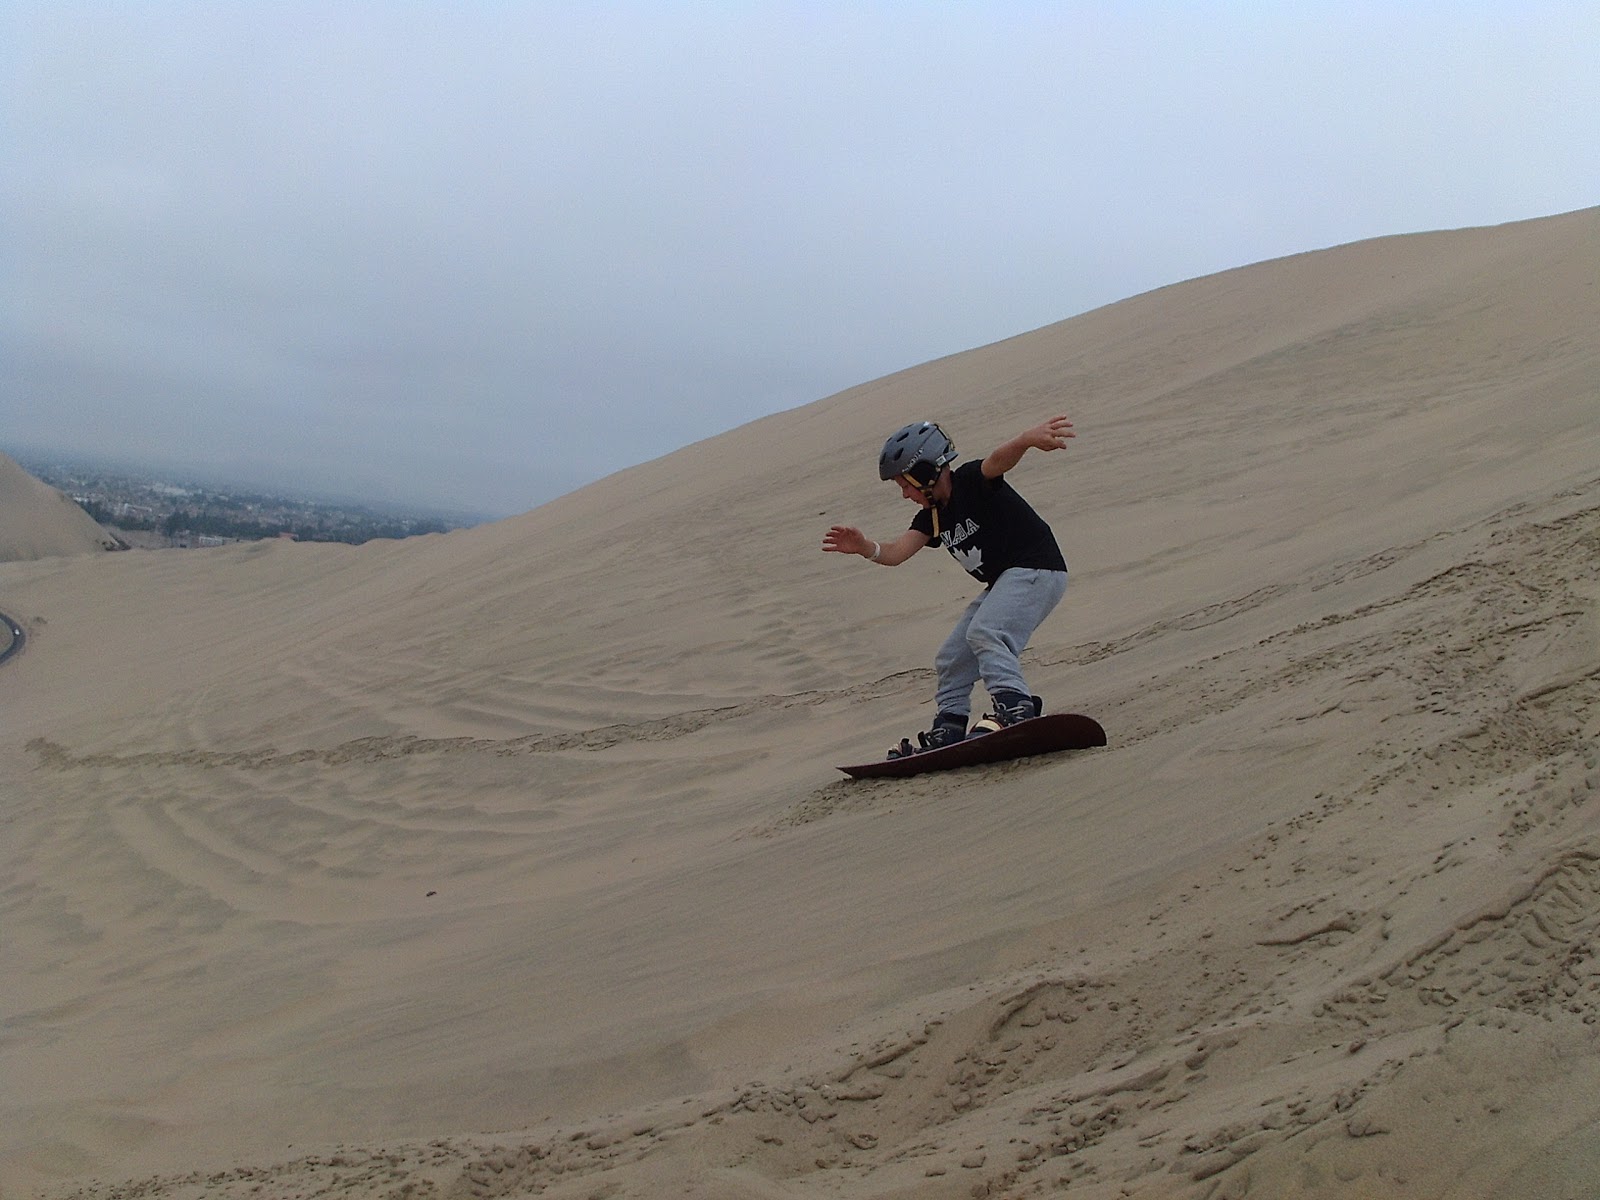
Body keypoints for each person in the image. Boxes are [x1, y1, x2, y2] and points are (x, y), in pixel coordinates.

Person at [822, 416, 1074, 757]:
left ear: (926, 473)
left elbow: (997, 461)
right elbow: (897, 553)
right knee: (951, 656)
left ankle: (1015, 706)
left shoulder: (970, 481)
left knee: (985, 632)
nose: (904, 494)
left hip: (1038, 569)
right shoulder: (934, 515)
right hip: (1005, 581)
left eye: (905, 484)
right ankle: (950, 724)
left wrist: (1026, 440)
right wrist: (865, 547)